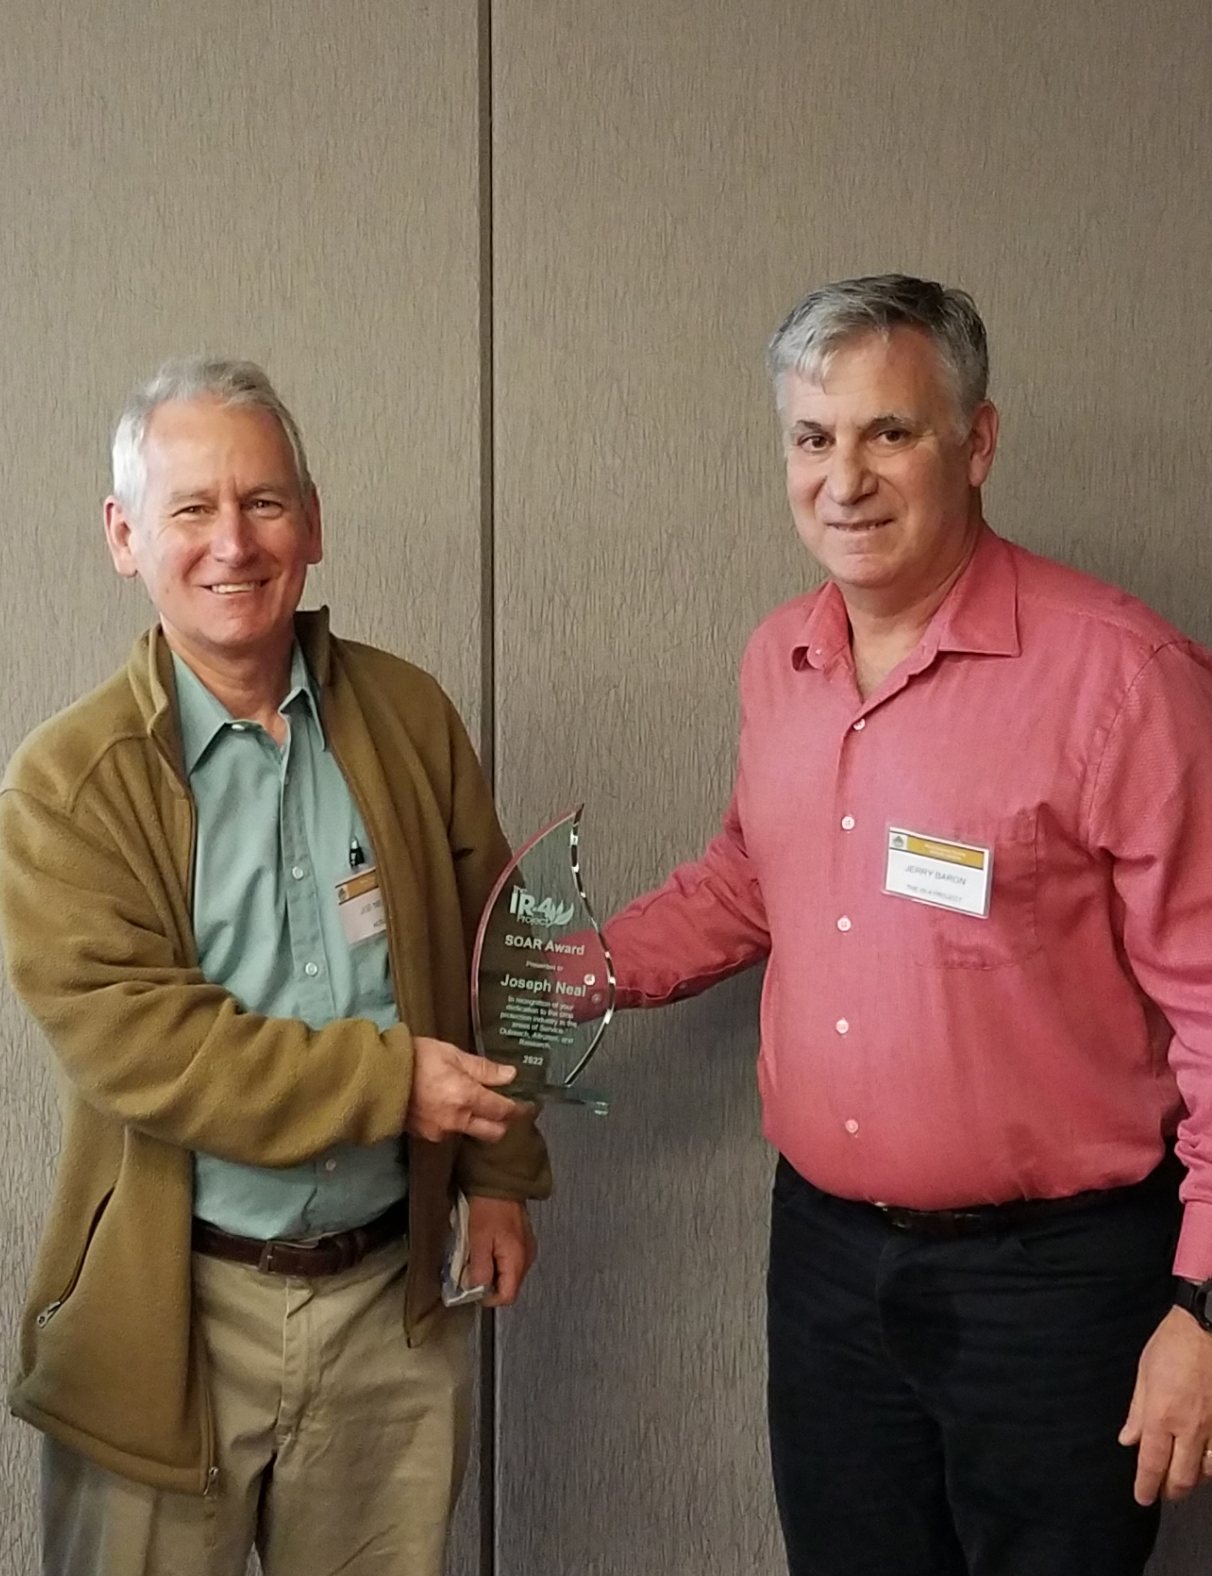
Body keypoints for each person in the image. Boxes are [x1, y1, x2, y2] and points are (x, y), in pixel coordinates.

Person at [602, 274, 1212, 1576]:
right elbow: (751, 878)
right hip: (827, 1264)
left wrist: (1203, 1307)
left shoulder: (1122, 676)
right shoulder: (784, 656)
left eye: (892, 432)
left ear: (976, 443)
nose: (846, 478)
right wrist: (572, 972)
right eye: (813, 438)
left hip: (1058, 1287)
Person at [0, 359, 550, 1576]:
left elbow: (495, 939)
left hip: (385, 1301)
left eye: (264, 502)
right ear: (123, 534)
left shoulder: (408, 714)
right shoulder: (65, 785)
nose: (232, 543)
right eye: (192, 507)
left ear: (312, 521)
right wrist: (394, 1083)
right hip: (174, 1310)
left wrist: (500, 1167)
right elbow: (147, 1044)